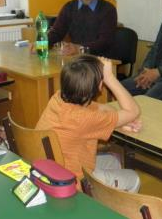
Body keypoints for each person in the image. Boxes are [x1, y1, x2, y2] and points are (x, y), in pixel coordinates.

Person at [36, 54, 141, 192]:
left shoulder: (58, 97)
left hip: (51, 168)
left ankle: (105, 200)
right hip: (73, 181)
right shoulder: (85, 119)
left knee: (114, 162)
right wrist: (110, 78)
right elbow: (134, 110)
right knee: (134, 179)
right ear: (99, 86)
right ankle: (100, 205)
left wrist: (120, 122)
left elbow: (102, 108)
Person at [48, 0, 117, 56]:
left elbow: (105, 41)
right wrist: (41, 44)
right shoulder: (69, 7)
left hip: (100, 59)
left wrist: (79, 48)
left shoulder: (108, 9)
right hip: (76, 58)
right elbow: (57, 32)